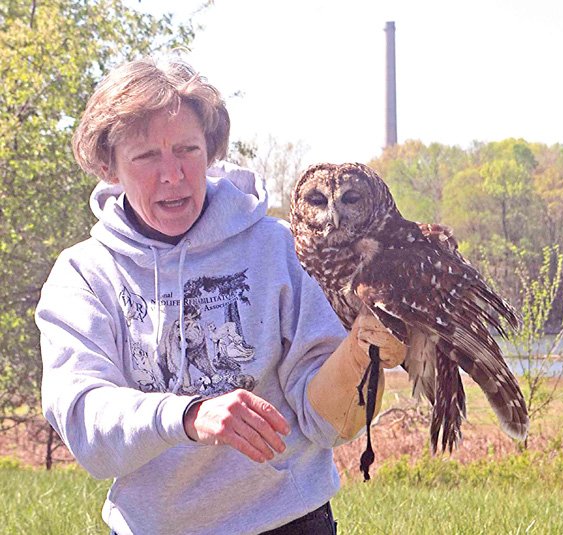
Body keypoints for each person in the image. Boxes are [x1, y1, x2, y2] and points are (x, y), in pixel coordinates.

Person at [35, 55, 406, 535]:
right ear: (108, 166)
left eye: (187, 150)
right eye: (147, 156)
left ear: (209, 152)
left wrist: (359, 361)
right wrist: (187, 415)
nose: (172, 175)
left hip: (289, 521)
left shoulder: (281, 249)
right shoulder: (83, 275)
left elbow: (329, 423)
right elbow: (86, 423)